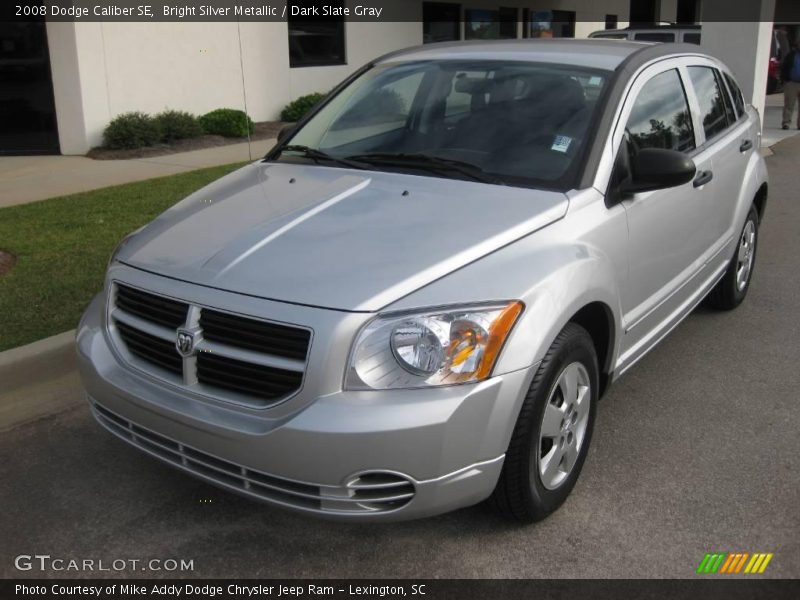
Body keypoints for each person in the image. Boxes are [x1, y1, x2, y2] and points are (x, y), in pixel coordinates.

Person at [780, 40, 800, 130]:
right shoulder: (791, 55)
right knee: (789, 104)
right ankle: (786, 123)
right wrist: (784, 80)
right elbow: (784, 67)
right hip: (791, 83)